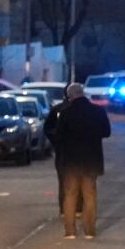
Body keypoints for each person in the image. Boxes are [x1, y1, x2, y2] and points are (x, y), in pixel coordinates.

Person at [55, 83, 111, 239]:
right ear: (83, 93)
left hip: (71, 161)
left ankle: (70, 231)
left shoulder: (65, 113)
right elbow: (106, 132)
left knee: (70, 195)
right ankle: (90, 231)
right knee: (90, 195)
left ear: (70, 96)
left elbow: (58, 137)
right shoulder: (97, 111)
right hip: (91, 159)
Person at [43, 87, 81, 217]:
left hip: (63, 151)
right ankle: (77, 208)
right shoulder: (62, 109)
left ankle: (65, 209)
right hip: (76, 150)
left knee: (64, 180)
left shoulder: (59, 109)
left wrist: (56, 141)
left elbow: (48, 128)